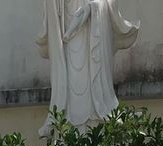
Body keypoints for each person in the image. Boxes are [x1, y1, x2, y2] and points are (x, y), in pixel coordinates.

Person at [38, 0, 139, 136]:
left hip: (92, 28)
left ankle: (96, 124)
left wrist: (94, 7)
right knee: (70, 83)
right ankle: (67, 130)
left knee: (93, 87)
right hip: (66, 27)